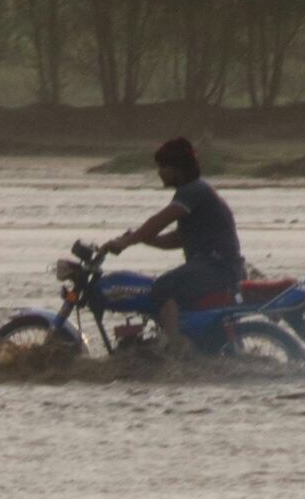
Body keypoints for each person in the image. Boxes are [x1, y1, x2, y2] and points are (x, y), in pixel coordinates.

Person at [101, 137, 244, 355]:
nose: (159, 172)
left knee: (163, 286)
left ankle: (173, 350)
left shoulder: (192, 191)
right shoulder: (196, 192)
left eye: (163, 167)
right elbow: (176, 239)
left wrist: (127, 241)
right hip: (214, 265)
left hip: (217, 266)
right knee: (161, 287)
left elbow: (159, 221)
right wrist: (142, 238)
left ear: (178, 169)